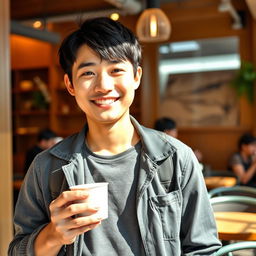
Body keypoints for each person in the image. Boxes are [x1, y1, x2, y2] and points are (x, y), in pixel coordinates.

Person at [9, 17, 221, 255]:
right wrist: (52, 236)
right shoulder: (46, 167)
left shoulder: (176, 159)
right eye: (88, 72)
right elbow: (17, 250)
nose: (103, 85)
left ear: (136, 77)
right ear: (70, 85)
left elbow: (204, 250)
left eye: (116, 70)